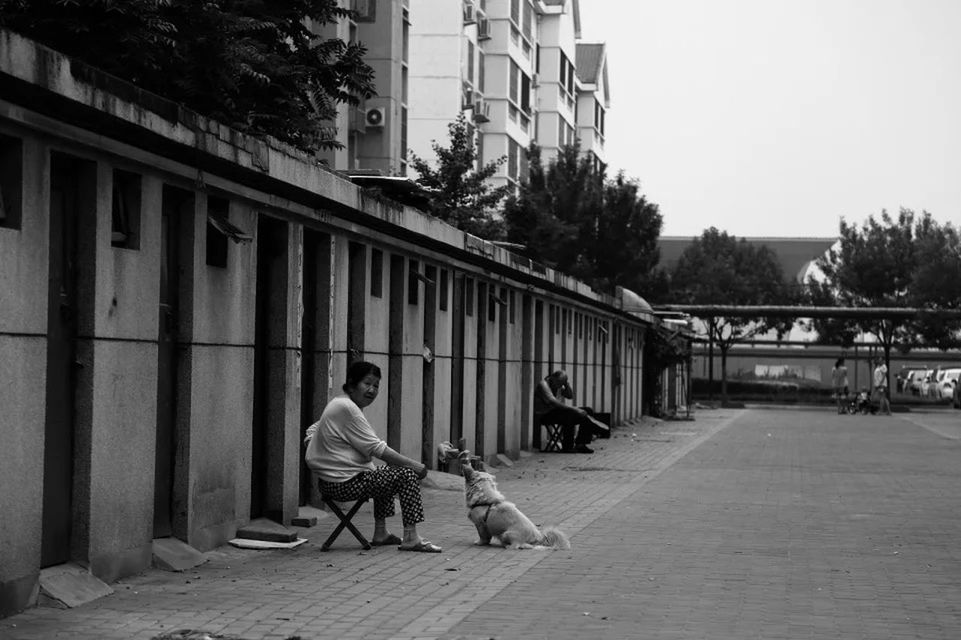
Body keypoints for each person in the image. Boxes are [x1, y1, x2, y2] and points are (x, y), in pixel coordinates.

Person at [304, 361, 442, 553]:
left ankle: (381, 534)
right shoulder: (347, 408)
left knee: (387, 472)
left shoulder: (341, 404)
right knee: (406, 475)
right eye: (367, 383)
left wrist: (316, 447)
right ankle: (411, 537)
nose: (372, 390)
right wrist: (415, 466)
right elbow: (376, 448)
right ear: (352, 384)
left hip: (334, 481)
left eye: (376, 385)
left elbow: (312, 430)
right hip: (344, 484)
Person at [533, 370, 605, 453]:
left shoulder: (560, 385)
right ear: (552, 378)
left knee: (587, 411)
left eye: (561, 384)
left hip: (556, 412)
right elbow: (553, 402)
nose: (559, 386)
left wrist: (566, 384)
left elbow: (570, 396)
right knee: (570, 414)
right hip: (544, 415)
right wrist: (574, 409)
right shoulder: (544, 385)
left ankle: (581, 444)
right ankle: (567, 446)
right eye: (558, 383)